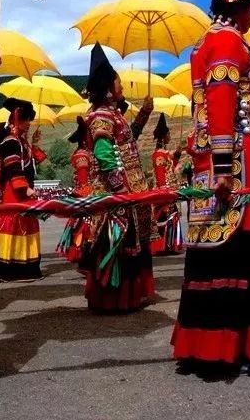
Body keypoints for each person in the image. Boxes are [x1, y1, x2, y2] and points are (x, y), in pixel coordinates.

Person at [171, 0, 250, 373]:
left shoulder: (219, 41)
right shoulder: (224, 41)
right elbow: (222, 104)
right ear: (239, 2)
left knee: (221, 254)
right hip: (236, 163)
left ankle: (218, 342)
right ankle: (235, 343)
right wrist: (224, 169)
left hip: (227, 158)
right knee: (239, 253)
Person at [81, 43, 156, 313]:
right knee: (115, 244)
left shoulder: (114, 115)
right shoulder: (101, 115)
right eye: (117, 80)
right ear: (108, 85)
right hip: (115, 195)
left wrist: (145, 112)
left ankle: (127, 298)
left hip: (128, 194)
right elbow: (104, 153)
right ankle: (112, 300)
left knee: (129, 245)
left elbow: (127, 142)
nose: (121, 84)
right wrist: (121, 190)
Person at [0, 98, 45, 282]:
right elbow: (13, 167)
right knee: (14, 227)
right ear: (17, 119)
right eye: (26, 119)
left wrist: (34, 142)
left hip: (23, 193)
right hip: (14, 193)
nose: (29, 123)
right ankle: (10, 271)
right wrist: (25, 188)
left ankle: (25, 269)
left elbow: (34, 161)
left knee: (25, 227)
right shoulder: (10, 142)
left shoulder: (21, 142)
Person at [57, 117, 96, 265]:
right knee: (84, 225)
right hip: (85, 195)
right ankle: (81, 251)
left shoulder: (84, 153)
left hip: (85, 193)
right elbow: (84, 181)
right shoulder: (82, 156)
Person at [150, 113, 183, 255]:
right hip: (164, 191)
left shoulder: (165, 153)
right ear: (164, 136)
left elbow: (171, 168)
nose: (170, 136)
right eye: (168, 134)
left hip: (170, 190)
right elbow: (160, 173)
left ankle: (170, 244)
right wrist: (164, 192)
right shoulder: (159, 154)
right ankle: (162, 245)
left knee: (171, 215)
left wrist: (176, 156)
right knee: (165, 216)